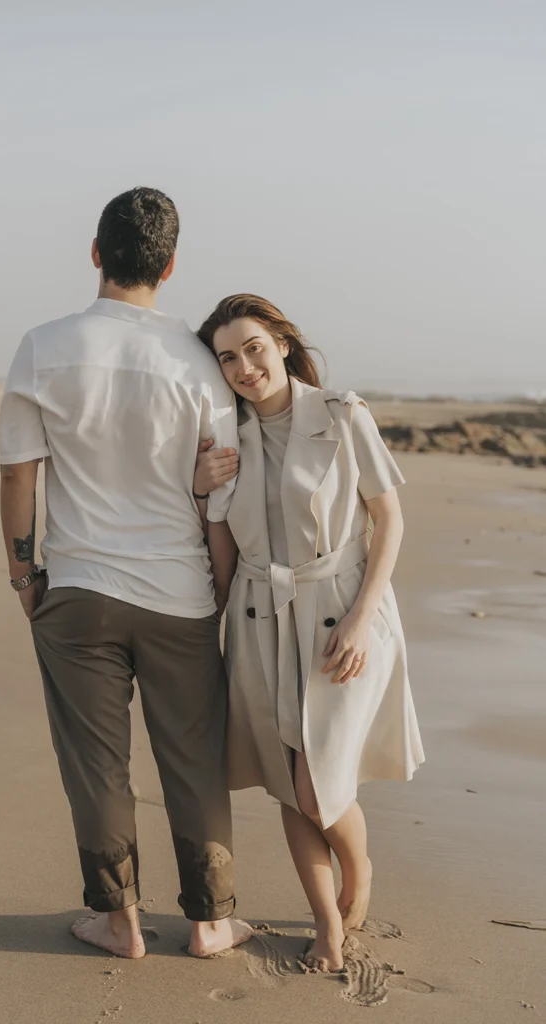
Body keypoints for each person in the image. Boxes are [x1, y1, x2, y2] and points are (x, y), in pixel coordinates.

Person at [0, 188, 251, 960]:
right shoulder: (198, 361)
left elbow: (18, 478)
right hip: (180, 592)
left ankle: (120, 920)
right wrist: (216, 587)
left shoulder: (42, 346)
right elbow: (220, 493)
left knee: (95, 765)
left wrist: (22, 575)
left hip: (77, 592)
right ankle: (210, 920)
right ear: (169, 266)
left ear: (96, 253)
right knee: (192, 757)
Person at [193, 294, 424, 972]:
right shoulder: (222, 435)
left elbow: (391, 522)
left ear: (283, 344)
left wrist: (360, 619)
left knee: (320, 781)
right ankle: (326, 922)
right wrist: (204, 494)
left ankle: (359, 870)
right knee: (287, 780)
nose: (243, 366)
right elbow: (223, 560)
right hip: (260, 619)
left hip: (341, 612)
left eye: (253, 348)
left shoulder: (342, 414)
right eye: (227, 357)